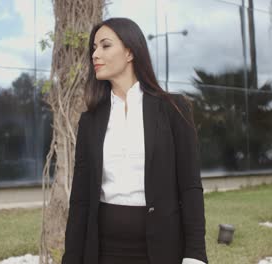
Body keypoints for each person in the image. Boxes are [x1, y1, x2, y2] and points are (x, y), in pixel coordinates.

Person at [61, 17, 208, 264]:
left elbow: (190, 187)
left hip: (162, 250)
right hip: (103, 251)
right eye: (94, 48)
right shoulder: (90, 120)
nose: (95, 54)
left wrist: (195, 255)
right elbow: (80, 199)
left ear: (130, 51)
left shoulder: (173, 109)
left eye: (105, 46)